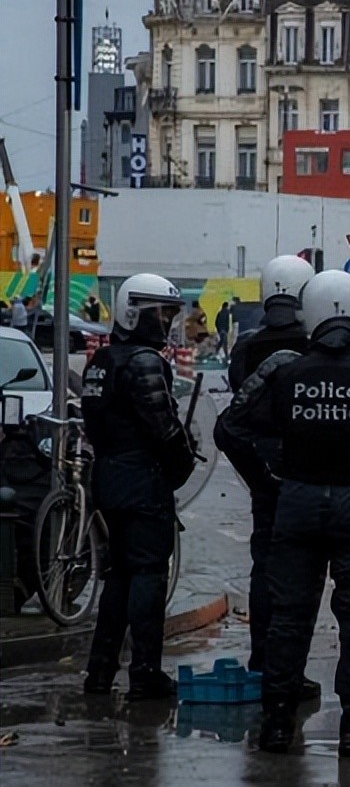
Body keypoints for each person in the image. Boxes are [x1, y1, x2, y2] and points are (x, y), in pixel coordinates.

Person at [217, 270, 350, 757]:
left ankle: (276, 726)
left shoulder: (282, 368)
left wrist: (268, 479)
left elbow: (230, 428)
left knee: (289, 619)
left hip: (297, 505)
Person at [80, 273, 197, 700]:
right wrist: (180, 465)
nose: (165, 322)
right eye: (160, 313)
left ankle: (100, 672)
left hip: (108, 476)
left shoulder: (101, 362)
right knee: (148, 573)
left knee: (119, 576)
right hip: (141, 478)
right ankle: (145, 671)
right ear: (135, 312)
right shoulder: (144, 362)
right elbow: (163, 427)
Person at [216, 255, 318, 701]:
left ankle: (263, 661)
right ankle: (289, 670)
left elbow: (238, 401)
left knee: (265, 567)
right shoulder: (314, 345)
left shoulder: (248, 346)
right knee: (304, 573)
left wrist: (258, 472)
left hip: (262, 469)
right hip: (306, 470)